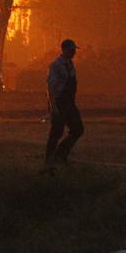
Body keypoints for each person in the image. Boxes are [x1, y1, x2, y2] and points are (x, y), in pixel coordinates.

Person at [45, 39, 84, 167]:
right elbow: (50, 87)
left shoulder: (70, 64)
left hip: (69, 103)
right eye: (72, 50)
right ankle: (49, 160)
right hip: (59, 102)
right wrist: (53, 106)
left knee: (78, 129)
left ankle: (61, 154)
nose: (74, 53)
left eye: (74, 50)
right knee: (56, 132)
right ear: (65, 49)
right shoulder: (56, 65)